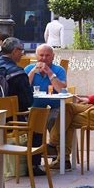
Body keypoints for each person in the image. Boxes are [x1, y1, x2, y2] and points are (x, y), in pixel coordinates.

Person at [24, 44, 67, 175]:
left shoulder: (58, 70)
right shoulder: (29, 68)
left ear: (53, 56)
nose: (44, 58)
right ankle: (32, 160)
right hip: (34, 107)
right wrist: (32, 72)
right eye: (41, 55)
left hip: (53, 107)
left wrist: (49, 73)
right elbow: (25, 88)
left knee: (56, 119)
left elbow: (62, 90)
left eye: (47, 55)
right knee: (33, 122)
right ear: (36, 56)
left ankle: (59, 155)